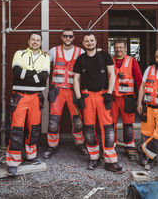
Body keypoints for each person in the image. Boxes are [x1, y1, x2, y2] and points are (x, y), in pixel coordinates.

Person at [73, 33, 123, 173]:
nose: (89, 43)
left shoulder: (104, 56)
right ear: (83, 43)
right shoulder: (81, 59)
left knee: (107, 128)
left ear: (95, 41)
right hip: (87, 96)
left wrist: (109, 93)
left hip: (103, 95)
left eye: (92, 40)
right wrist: (78, 97)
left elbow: (112, 74)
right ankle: (94, 158)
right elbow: (76, 79)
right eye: (87, 41)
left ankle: (110, 160)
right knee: (89, 128)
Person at [6, 32, 50, 176]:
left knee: (34, 128)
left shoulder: (45, 57)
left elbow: (44, 77)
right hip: (20, 96)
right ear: (28, 41)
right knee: (17, 128)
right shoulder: (20, 53)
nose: (35, 42)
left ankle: (31, 156)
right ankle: (13, 161)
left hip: (36, 97)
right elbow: (16, 72)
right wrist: (35, 76)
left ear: (41, 42)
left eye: (38, 40)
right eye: (33, 39)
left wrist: (26, 75)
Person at [43, 29, 87, 159]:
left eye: (70, 36)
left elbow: (91, 59)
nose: (68, 38)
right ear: (61, 37)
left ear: (73, 38)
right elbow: (41, 60)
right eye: (65, 36)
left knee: (78, 120)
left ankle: (80, 144)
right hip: (57, 91)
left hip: (74, 91)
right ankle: (52, 146)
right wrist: (40, 53)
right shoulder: (54, 51)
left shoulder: (81, 52)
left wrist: (99, 53)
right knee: (53, 121)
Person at [112, 39, 142, 161]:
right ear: (114, 48)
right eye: (116, 48)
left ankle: (130, 147)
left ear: (125, 48)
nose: (118, 50)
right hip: (113, 98)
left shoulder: (132, 61)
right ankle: (111, 146)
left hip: (128, 98)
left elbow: (139, 80)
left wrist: (140, 99)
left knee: (128, 124)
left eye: (121, 47)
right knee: (110, 123)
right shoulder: (109, 60)